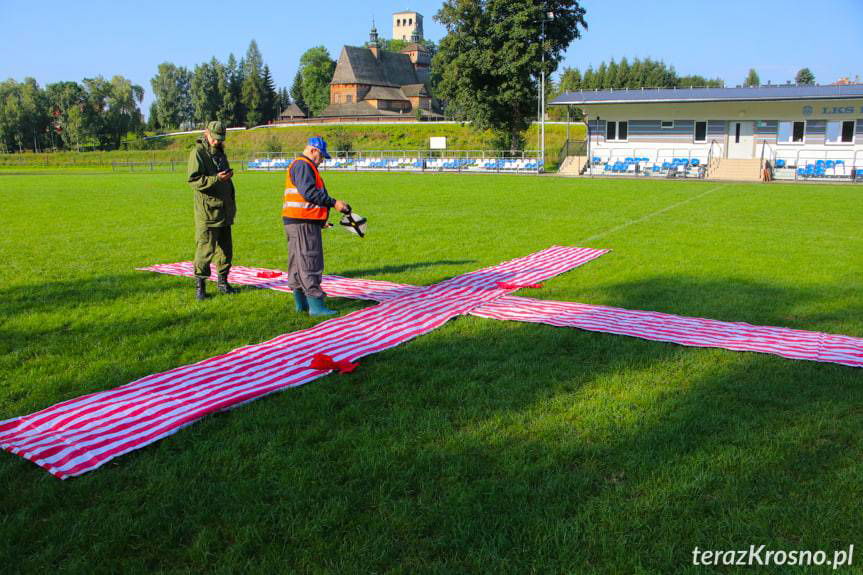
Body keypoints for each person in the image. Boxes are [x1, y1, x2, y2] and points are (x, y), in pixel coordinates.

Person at [282, 136, 350, 316]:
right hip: (303, 223)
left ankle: (301, 304)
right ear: (313, 151)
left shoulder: (299, 165)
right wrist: (334, 203)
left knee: (297, 264)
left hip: (297, 221)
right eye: (321, 157)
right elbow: (309, 193)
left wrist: (320, 220)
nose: (321, 162)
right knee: (310, 261)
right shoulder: (304, 165)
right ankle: (316, 306)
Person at [188, 120, 237, 300]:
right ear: (206, 133)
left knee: (226, 250)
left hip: (224, 210)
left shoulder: (220, 152)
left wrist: (226, 176)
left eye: (221, 138)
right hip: (207, 212)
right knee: (205, 249)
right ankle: (200, 287)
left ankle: (223, 283)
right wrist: (216, 179)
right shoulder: (198, 153)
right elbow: (194, 181)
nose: (217, 141)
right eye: (215, 138)